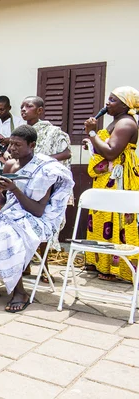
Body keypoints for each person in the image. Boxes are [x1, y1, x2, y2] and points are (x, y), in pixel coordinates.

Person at [0, 125, 73, 312]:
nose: (11, 149)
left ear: (32, 145)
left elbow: (37, 211)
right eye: (10, 143)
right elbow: (4, 206)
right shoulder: (10, 165)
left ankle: (19, 292)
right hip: (12, 216)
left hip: (37, 220)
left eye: (17, 145)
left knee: (4, 234)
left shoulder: (45, 170)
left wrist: (13, 189)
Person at [83, 86, 139, 282]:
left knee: (116, 221)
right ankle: (101, 263)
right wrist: (92, 142)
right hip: (106, 179)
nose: (107, 103)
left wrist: (92, 134)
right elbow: (104, 147)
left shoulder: (125, 124)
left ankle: (117, 269)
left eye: (113, 100)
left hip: (118, 180)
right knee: (103, 220)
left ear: (126, 105)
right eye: (108, 99)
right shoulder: (117, 121)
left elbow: (110, 152)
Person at [20, 95, 72, 255]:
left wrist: (41, 163)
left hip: (46, 184)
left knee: (44, 221)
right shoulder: (22, 133)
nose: (23, 109)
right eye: (22, 106)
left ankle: (45, 266)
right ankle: (25, 264)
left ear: (40, 110)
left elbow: (66, 153)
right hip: (27, 183)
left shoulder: (54, 132)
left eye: (28, 106)